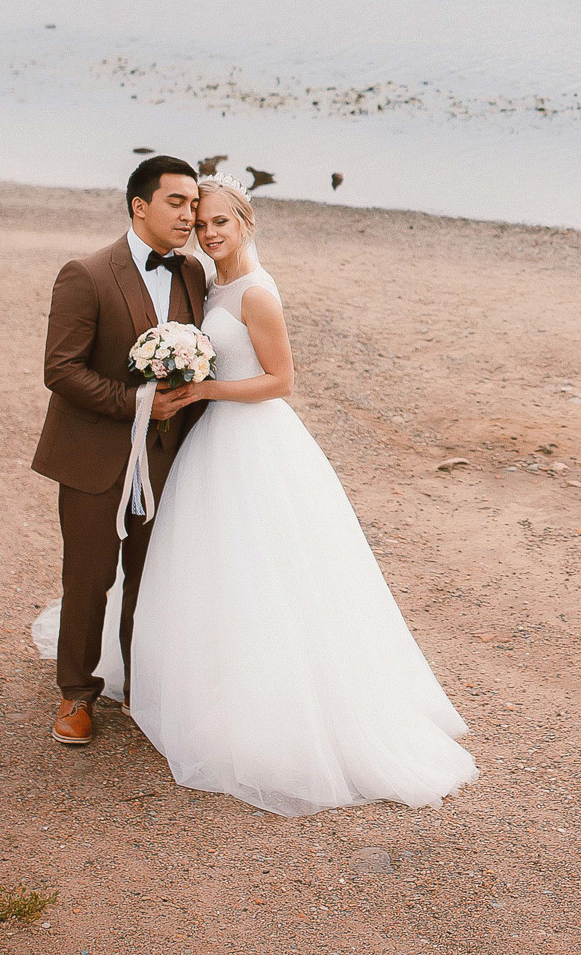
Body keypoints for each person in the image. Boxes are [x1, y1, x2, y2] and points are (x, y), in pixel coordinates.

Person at [122, 176, 476, 815]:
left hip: (252, 439)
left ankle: (278, 713)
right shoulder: (209, 282)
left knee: (269, 570)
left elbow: (281, 381)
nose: (208, 233)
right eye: (201, 224)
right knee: (218, 569)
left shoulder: (256, 292)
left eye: (219, 223)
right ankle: (211, 687)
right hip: (213, 443)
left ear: (245, 223)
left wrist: (202, 391)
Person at [28, 156, 208, 749]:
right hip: (95, 455)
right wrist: (137, 403)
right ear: (140, 206)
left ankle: (138, 686)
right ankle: (76, 694)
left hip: (166, 455)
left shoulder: (192, 275)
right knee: (88, 577)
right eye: (176, 203)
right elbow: (61, 370)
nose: (190, 215)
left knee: (150, 576)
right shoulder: (85, 274)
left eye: (193, 203)